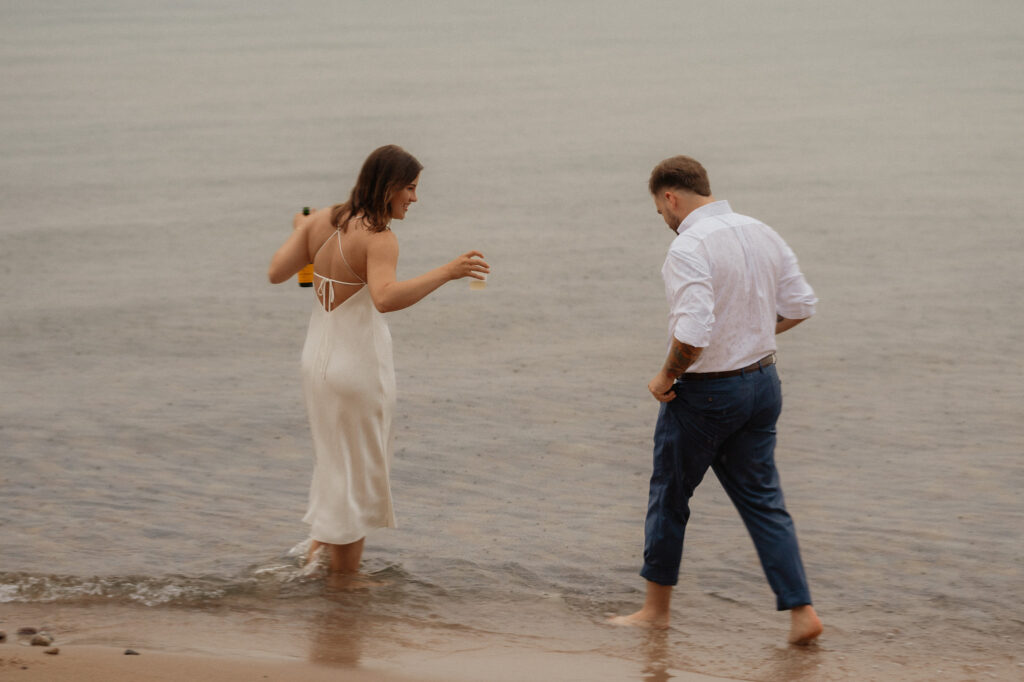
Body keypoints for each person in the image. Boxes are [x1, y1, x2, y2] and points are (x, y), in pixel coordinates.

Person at [610, 155, 823, 645]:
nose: (664, 221)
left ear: (670, 197)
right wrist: (747, 329)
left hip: (708, 394)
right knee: (765, 501)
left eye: (660, 211)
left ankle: (654, 613)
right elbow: (800, 306)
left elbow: (694, 331)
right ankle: (801, 612)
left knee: (669, 497)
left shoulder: (689, 245)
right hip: (763, 384)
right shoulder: (762, 230)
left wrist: (665, 376)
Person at [268, 144, 489, 578]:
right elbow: (385, 298)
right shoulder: (380, 238)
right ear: (388, 187)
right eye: (409, 188)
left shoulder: (323, 219)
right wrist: (449, 271)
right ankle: (344, 591)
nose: (414, 198)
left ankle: (311, 572)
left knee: (336, 469)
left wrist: (302, 231)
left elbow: (278, 271)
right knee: (357, 480)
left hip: (316, 363)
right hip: (355, 370)